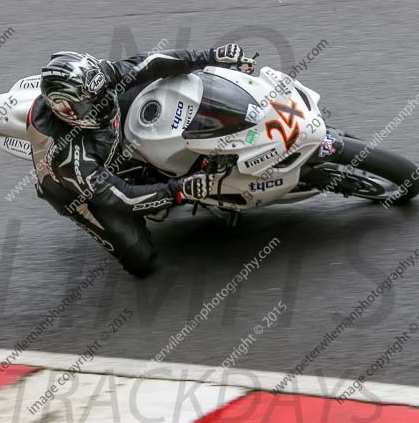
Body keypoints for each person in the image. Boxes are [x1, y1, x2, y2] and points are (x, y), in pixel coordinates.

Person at [27, 44, 254, 276]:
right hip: (83, 193)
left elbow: (150, 63)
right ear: (65, 111)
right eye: (89, 105)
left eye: (104, 92)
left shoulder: (97, 81)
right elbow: (124, 198)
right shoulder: (73, 162)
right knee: (141, 260)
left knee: (161, 84)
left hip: (106, 143)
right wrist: (179, 190)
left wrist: (210, 56)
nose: (102, 103)